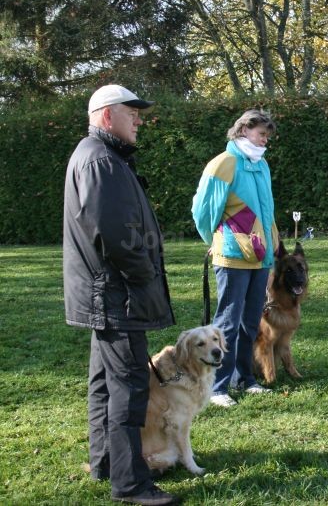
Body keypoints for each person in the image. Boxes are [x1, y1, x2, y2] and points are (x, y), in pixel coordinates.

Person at [63, 85, 179, 505]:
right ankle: (131, 483)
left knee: (104, 384)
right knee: (129, 388)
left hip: (108, 294)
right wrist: (143, 274)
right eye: (132, 113)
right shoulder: (100, 160)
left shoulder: (102, 156)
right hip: (117, 295)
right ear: (107, 116)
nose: (139, 120)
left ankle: (107, 463)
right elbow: (112, 233)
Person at [192, 109, 280, 407]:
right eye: (261, 134)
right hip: (232, 256)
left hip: (260, 256)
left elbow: (267, 212)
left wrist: (272, 246)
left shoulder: (261, 164)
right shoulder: (224, 162)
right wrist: (215, 241)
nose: (265, 140)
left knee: (251, 321)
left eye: (267, 136)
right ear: (244, 130)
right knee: (227, 322)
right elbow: (203, 210)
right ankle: (217, 387)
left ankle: (244, 378)